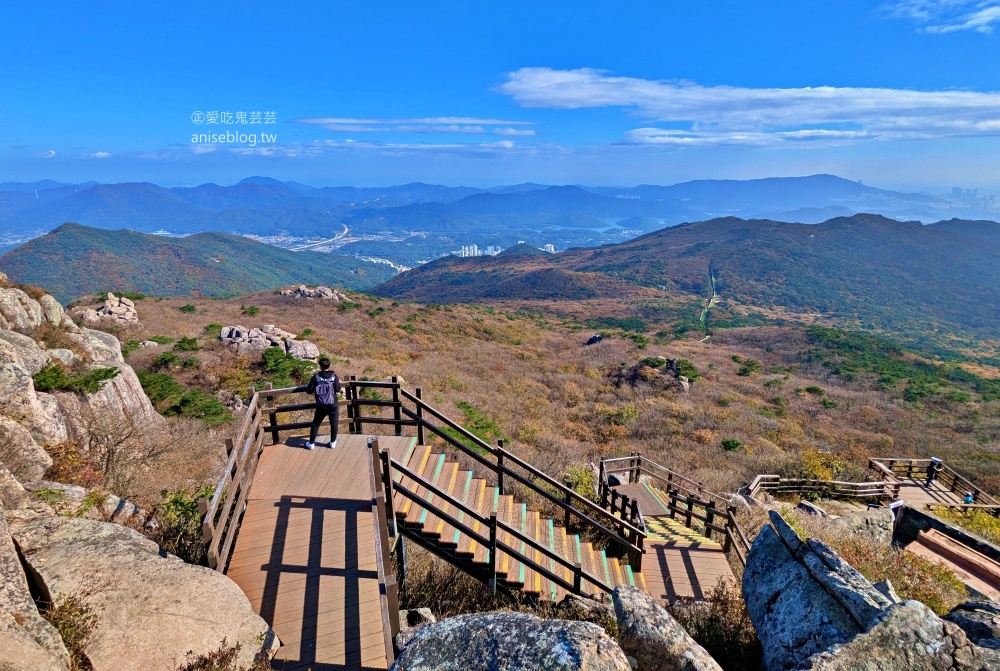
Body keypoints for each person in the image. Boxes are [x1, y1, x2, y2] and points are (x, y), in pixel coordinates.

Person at [305, 357, 341, 450]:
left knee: (316, 424)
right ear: (329, 365)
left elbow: (309, 391)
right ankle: (333, 442)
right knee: (334, 423)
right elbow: (337, 389)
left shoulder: (316, 377)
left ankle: (311, 443)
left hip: (321, 405)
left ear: (320, 366)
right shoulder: (334, 376)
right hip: (333, 403)